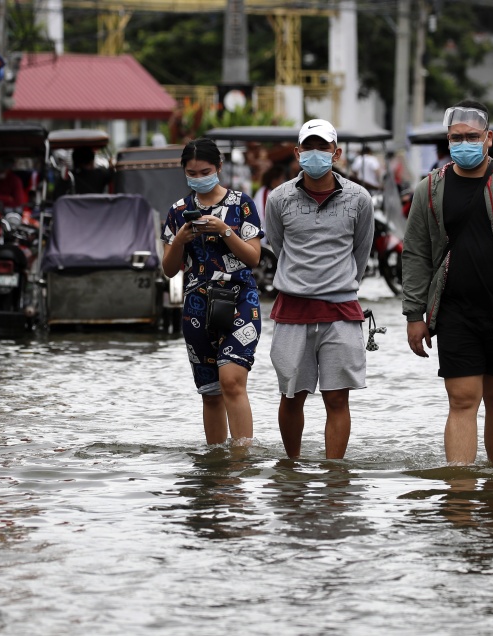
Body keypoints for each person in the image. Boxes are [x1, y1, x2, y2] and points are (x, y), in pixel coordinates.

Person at [402, 100, 493, 466]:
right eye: (456, 137)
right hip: (454, 311)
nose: (464, 143)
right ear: (447, 141)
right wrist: (414, 314)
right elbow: (416, 254)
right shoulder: (430, 189)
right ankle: (460, 491)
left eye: (472, 136)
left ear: (488, 138)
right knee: (462, 400)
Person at [264, 119, 375, 460]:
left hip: (341, 310)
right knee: (291, 395)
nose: (315, 154)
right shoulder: (279, 198)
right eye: (308, 147)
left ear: (336, 152)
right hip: (292, 309)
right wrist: (303, 279)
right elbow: (279, 248)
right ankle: (292, 464)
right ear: (297, 153)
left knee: (337, 398)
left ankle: (334, 475)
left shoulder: (359, 199)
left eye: (322, 147)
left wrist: (334, 282)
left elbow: (361, 253)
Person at [160, 138, 264, 445]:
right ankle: (217, 467)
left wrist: (224, 231)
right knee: (210, 393)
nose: (198, 177)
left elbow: (253, 257)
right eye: (191, 172)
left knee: (231, 381)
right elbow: (168, 270)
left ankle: (241, 459)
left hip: (239, 299)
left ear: (219, 167)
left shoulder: (242, 204)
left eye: (205, 170)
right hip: (197, 306)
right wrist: (179, 239)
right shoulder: (178, 211)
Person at [252, 164, 287, 231]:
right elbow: (263, 216)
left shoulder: (279, 192)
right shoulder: (263, 192)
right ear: (274, 181)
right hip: (265, 234)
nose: (283, 182)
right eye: (281, 179)